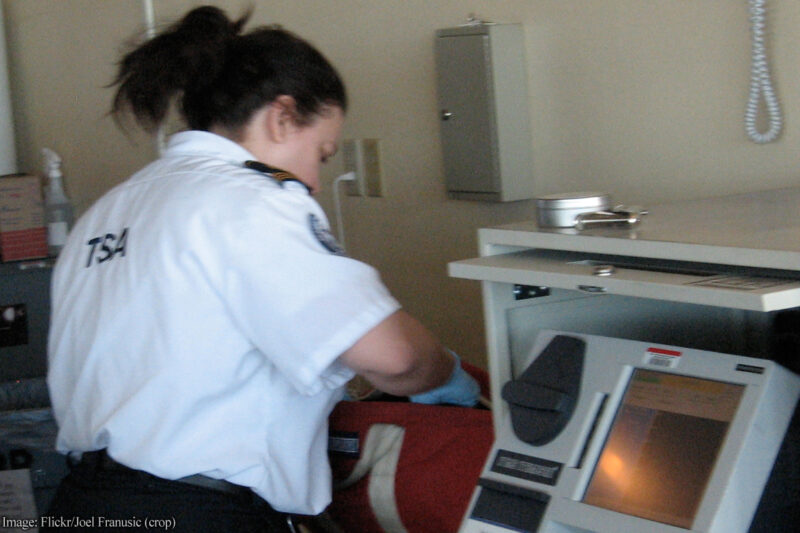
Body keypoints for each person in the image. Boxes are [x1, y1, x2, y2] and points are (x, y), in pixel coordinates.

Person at [43, 6, 479, 532]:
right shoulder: (251, 200)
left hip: (81, 505)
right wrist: (444, 372)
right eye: (321, 153)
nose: (315, 182)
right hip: (196, 515)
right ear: (281, 116)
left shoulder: (108, 210)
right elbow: (395, 357)